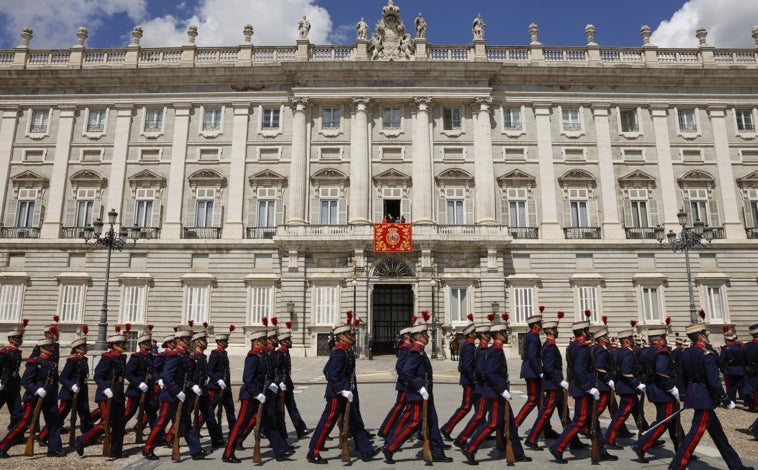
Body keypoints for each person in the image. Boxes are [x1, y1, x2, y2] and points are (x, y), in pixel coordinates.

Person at [669, 322, 755, 470]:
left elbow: (681, 376)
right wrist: (726, 399)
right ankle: (676, 465)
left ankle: (736, 466)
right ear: (701, 337)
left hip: (696, 395)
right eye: (706, 335)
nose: (707, 338)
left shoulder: (686, 353)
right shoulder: (706, 354)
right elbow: (714, 381)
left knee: (719, 436)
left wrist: (683, 395)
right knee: (694, 435)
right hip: (705, 399)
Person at [308, 321, 380, 464]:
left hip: (347, 391)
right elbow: (330, 373)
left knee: (355, 422)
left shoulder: (346, 350)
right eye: (349, 334)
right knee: (327, 421)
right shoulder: (339, 352)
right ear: (341, 336)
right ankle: (313, 452)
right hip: (337, 394)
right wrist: (342, 389)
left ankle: (366, 450)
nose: (352, 336)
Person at [382, 317, 453, 463]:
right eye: (426, 334)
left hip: (425, 393)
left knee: (432, 422)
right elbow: (407, 372)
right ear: (420, 336)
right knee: (413, 423)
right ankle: (390, 447)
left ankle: (437, 452)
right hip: (417, 394)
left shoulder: (419, 350)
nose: (428, 337)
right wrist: (420, 388)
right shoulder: (415, 352)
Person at [549, 320, 618, 464]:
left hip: (579, 386)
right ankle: (558, 447)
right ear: (584, 332)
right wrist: (589, 387)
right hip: (583, 388)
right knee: (580, 420)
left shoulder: (573, 346)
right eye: (588, 331)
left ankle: (601, 450)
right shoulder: (582, 347)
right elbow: (579, 369)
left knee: (594, 420)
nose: (589, 334)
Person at [462, 322, 531, 464]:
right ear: (498, 335)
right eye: (505, 333)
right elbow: (489, 373)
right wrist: (501, 390)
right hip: (495, 393)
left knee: (510, 424)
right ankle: (470, 448)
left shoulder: (494, 349)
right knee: (492, 424)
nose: (507, 335)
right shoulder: (495, 351)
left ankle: (518, 453)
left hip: (497, 392)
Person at [142, 326, 207, 461]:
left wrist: (192, 385)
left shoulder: (186, 356)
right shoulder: (175, 355)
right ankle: (147, 448)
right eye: (186, 339)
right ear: (179, 341)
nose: (189, 341)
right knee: (162, 423)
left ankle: (195, 450)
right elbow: (167, 376)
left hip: (181, 395)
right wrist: (177, 392)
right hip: (170, 395)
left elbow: (185, 378)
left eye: (189, 339)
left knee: (186, 423)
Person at [0, 329, 62, 458]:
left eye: (51, 346)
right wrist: (37, 389)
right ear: (41, 349)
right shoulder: (35, 362)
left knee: (54, 421)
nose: (51, 349)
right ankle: (2, 447)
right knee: (23, 423)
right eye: (48, 347)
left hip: (48, 397)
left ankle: (54, 448)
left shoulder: (50, 362)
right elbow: (26, 381)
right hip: (33, 398)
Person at [76, 326, 128, 458]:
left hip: (118, 394)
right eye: (122, 344)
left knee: (119, 423)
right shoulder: (108, 358)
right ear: (115, 345)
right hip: (106, 395)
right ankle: (83, 440)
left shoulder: (121, 358)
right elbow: (98, 375)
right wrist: (105, 388)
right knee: (106, 423)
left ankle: (116, 451)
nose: (125, 346)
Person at [39, 328, 93, 445]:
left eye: (85, 347)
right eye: (83, 347)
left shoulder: (83, 360)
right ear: (77, 349)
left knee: (85, 414)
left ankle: (89, 436)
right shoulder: (72, 361)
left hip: (81, 390)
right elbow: (63, 377)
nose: (85, 349)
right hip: (69, 393)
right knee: (59, 416)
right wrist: (72, 386)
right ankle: (43, 436)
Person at [632, 327, 678, 462]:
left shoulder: (645, 352)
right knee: (665, 420)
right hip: (663, 391)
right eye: (663, 338)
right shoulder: (661, 352)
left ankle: (681, 448)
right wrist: (672, 388)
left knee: (674, 421)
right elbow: (661, 371)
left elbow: (640, 369)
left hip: (654, 389)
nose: (665, 340)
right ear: (659, 339)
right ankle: (641, 445)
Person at [525, 312, 568, 449]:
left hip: (555, 384)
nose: (557, 331)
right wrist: (559, 381)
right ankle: (531, 439)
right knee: (545, 413)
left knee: (564, 411)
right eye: (555, 329)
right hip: (553, 384)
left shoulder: (550, 345)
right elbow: (549, 367)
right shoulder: (549, 346)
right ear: (550, 331)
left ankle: (573, 440)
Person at [605, 329, 644, 449]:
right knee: (621, 414)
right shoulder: (627, 353)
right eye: (631, 339)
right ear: (627, 341)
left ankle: (647, 435)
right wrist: (637, 384)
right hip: (628, 388)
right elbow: (626, 372)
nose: (633, 341)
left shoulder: (618, 352)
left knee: (638, 413)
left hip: (624, 387)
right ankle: (609, 438)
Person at [440, 316, 476, 440]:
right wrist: (474, 379)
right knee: (466, 407)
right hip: (469, 381)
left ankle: (480, 429)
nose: (476, 334)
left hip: (469, 380)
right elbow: (467, 365)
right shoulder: (470, 346)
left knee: (479, 409)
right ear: (471, 334)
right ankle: (447, 428)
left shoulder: (467, 345)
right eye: (475, 333)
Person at [277, 324, 309, 439]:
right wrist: (280, 382)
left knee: (292, 407)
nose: (291, 342)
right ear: (284, 342)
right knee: (279, 410)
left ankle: (300, 429)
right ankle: (280, 432)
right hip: (281, 385)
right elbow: (276, 370)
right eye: (289, 340)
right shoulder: (279, 354)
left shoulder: (286, 352)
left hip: (287, 384)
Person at [378, 326, 411, 438]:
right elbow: (400, 367)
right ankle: (386, 430)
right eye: (411, 333)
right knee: (399, 407)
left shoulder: (409, 347)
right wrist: (407, 381)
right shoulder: (405, 348)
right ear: (406, 336)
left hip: (409, 383)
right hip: (405, 384)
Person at [124, 326, 155, 435]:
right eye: (147, 342)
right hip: (135, 391)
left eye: (149, 342)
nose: (150, 344)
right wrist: (139, 383)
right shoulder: (136, 357)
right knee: (129, 412)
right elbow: (128, 373)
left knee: (152, 412)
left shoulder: (151, 357)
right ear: (141, 344)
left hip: (147, 390)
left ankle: (156, 435)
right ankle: (116, 430)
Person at [207, 325, 236, 439]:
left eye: (227, 341)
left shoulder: (224, 353)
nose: (226, 343)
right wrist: (217, 380)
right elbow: (209, 370)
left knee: (230, 411)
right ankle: (197, 427)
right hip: (216, 387)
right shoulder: (215, 353)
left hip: (225, 387)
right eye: (224, 341)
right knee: (209, 410)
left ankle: (233, 433)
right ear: (219, 342)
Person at [0, 322, 26, 433]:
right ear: (10, 339)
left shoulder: (17, 352)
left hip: (14, 384)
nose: (19, 341)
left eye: (20, 338)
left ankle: (16, 434)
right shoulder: (4, 352)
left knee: (17, 412)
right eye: (17, 338)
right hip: (4, 384)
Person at [720, 327, 746, 405]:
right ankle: (747, 401)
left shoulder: (725, 349)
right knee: (742, 386)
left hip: (730, 370)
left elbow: (721, 360)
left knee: (732, 387)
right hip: (741, 369)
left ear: (726, 340)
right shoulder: (740, 347)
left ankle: (732, 401)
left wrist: (722, 369)